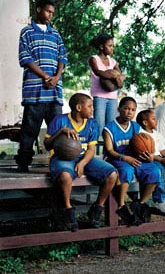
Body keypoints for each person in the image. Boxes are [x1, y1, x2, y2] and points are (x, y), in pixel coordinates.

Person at [44, 93, 117, 231]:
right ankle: (67, 209)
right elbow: (47, 145)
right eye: (89, 106)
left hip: (85, 158)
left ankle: (97, 208)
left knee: (112, 174)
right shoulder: (59, 120)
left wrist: (82, 163)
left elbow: (91, 149)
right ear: (78, 107)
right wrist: (60, 132)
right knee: (65, 176)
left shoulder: (92, 123)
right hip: (62, 158)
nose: (92, 109)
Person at [15, 0, 68, 172]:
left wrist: (56, 77)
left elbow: (63, 57)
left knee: (58, 130)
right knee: (30, 129)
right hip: (35, 91)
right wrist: (45, 76)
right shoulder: (27, 32)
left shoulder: (56, 34)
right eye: (47, 11)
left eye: (52, 13)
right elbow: (25, 58)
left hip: (54, 91)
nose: (50, 15)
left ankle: (59, 163)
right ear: (38, 10)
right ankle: (23, 163)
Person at [103, 96, 162, 225]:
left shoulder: (136, 126)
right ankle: (122, 205)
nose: (129, 112)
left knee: (154, 170)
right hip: (117, 158)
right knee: (126, 170)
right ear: (119, 109)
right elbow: (109, 150)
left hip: (135, 158)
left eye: (133, 110)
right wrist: (125, 158)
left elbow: (145, 142)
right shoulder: (109, 127)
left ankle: (140, 203)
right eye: (126, 108)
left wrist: (149, 154)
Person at [89, 33, 125, 137]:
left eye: (113, 46)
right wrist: (113, 75)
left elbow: (121, 75)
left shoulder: (113, 61)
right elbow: (98, 72)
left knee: (111, 124)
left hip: (112, 97)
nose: (112, 48)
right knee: (99, 123)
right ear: (101, 47)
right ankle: (98, 148)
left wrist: (119, 77)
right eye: (110, 46)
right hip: (100, 96)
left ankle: (109, 148)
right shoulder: (94, 59)